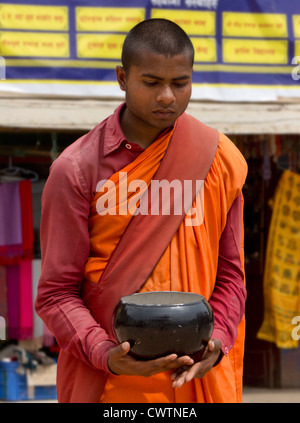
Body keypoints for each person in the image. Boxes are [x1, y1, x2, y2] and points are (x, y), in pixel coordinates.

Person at [35, 18, 248, 403]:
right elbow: (56, 293)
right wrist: (106, 355)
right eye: (151, 83)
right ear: (122, 77)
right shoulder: (79, 169)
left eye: (180, 83)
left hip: (198, 377)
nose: (167, 96)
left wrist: (216, 341)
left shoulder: (218, 159)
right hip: (110, 382)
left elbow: (232, 275)